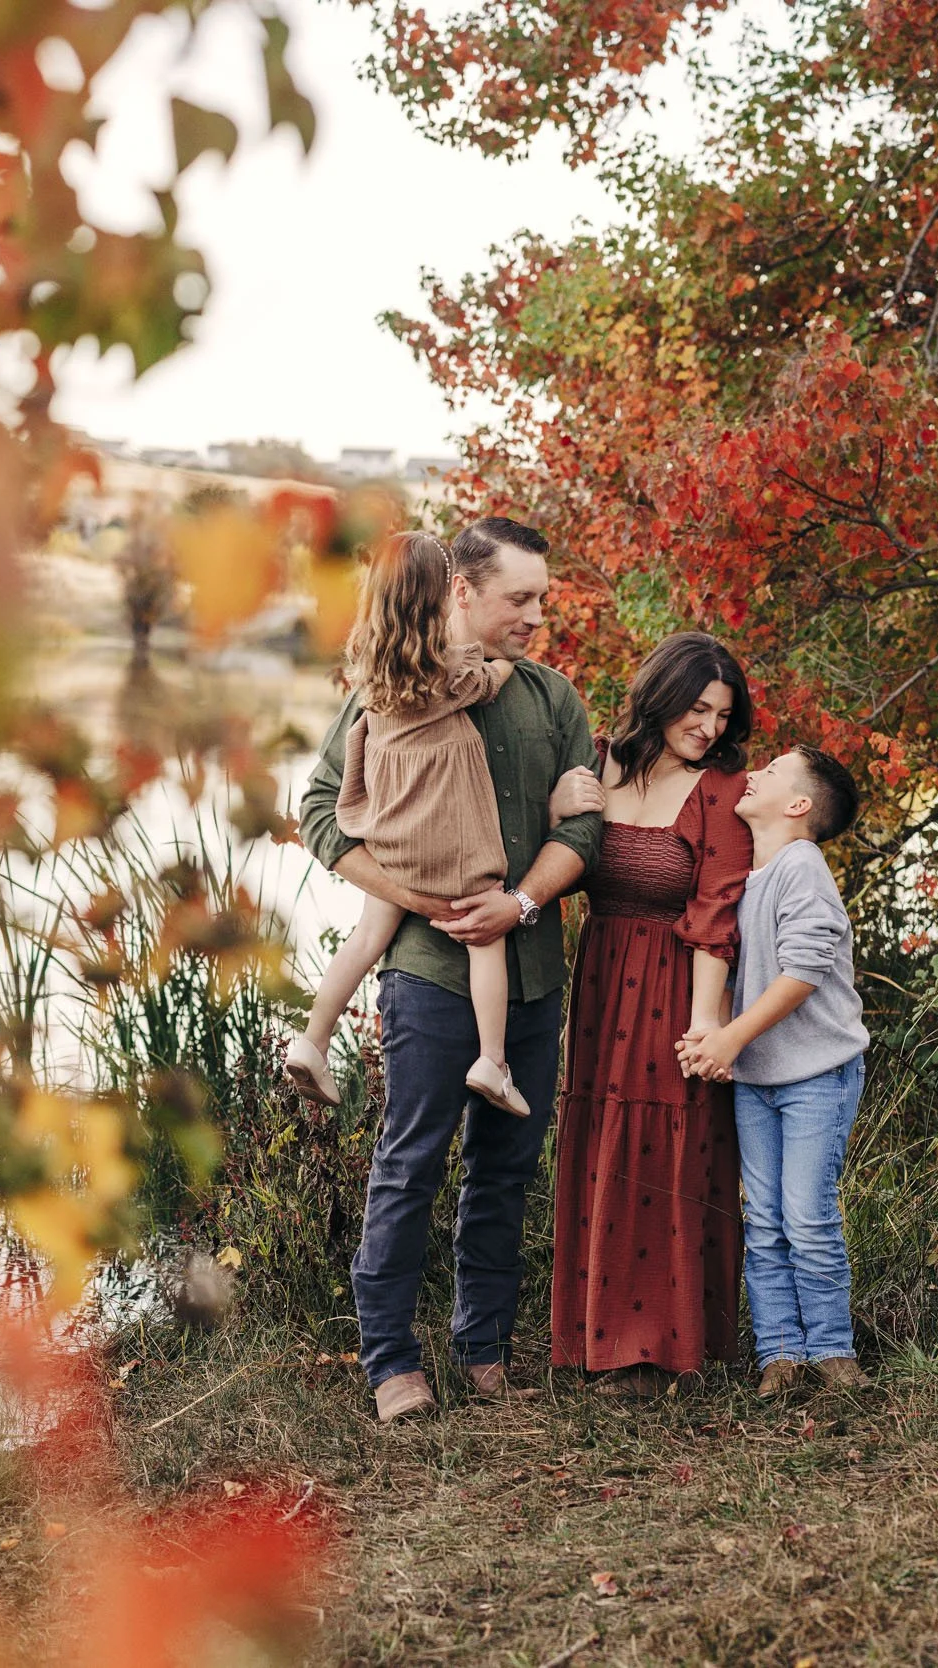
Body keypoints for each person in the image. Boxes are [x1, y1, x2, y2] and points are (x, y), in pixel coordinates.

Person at [297, 516, 603, 1426]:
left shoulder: (553, 700)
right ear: (461, 592)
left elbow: (584, 830)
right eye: (521, 598)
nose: (538, 616)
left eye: (543, 598)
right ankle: (392, 1362)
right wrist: (417, 897)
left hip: (532, 972)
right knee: (410, 1166)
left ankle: (485, 1349)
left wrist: (525, 901)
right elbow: (320, 812)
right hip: (429, 973)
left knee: (505, 1169)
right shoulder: (391, 683)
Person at [544, 632, 755, 1398]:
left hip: (676, 980)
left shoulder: (722, 791)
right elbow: (549, 860)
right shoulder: (596, 762)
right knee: (602, 1138)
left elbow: (715, 915)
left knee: (668, 1145)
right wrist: (554, 807)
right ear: (660, 695)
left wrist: (704, 1028)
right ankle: (594, 1338)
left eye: (723, 715)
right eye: (698, 708)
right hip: (601, 979)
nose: (710, 728)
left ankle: (663, 1346)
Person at [285, 533, 531, 1119]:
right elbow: (492, 683)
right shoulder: (452, 669)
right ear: (444, 596)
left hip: (393, 838)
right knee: (486, 933)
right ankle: (492, 1062)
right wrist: (502, 664)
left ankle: (313, 1040)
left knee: (367, 938)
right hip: (452, 843)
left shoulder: (373, 671)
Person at [678, 746, 871, 1397]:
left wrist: (729, 1038)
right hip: (760, 1080)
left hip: (817, 1074)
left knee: (807, 1217)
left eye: (772, 770)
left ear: (798, 805)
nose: (753, 772)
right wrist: (715, 1033)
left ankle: (832, 1352)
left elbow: (802, 974)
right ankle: (780, 1356)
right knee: (763, 1220)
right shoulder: (747, 875)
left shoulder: (801, 865)